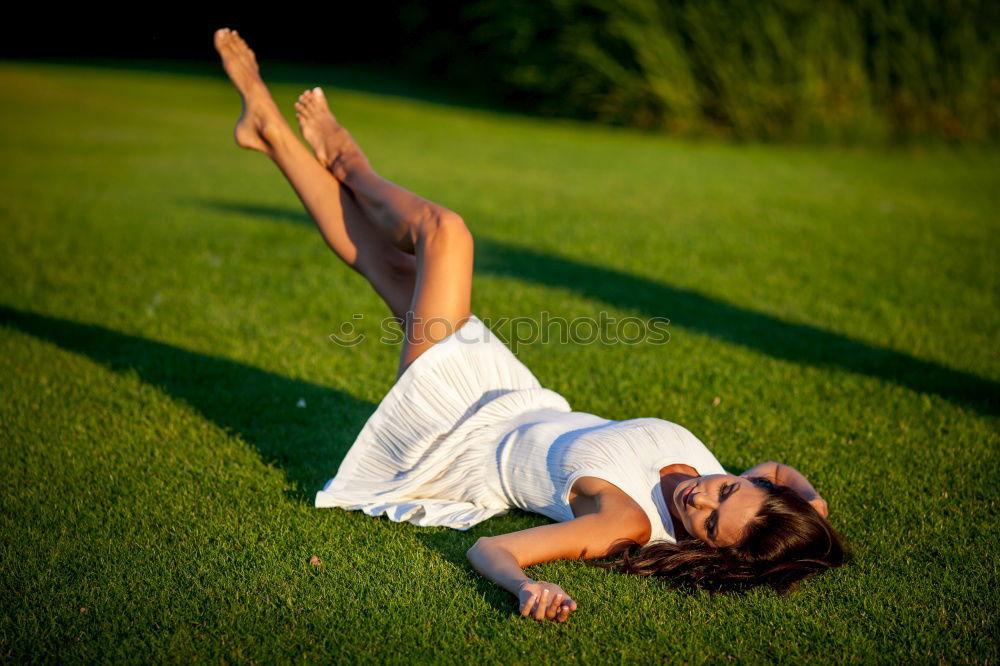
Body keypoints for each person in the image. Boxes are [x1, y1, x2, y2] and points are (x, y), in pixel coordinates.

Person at [213, 28, 847, 625]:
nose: (701, 497)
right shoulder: (746, 491)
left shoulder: (622, 522)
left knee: (445, 234)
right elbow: (782, 474)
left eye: (709, 524)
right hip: (508, 394)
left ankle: (345, 158)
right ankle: (268, 133)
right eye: (727, 487)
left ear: (713, 553)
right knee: (393, 268)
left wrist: (526, 584)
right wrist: (811, 508)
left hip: (455, 433)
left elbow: (494, 548)